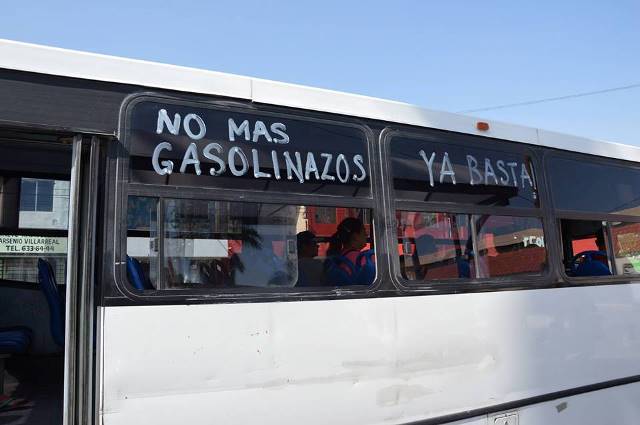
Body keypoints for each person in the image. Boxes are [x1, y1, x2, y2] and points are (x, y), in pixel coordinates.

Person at [324, 217, 375, 285]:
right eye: (363, 232)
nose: (366, 235)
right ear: (355, 236)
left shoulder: (339, 256)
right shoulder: (361, 258)